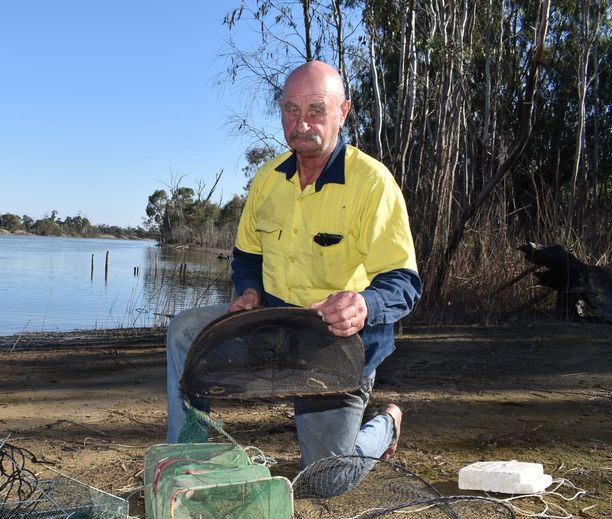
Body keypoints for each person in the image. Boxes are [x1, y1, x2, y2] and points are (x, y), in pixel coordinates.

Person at [166, 60, 421, 473]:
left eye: (317, 110)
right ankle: (183, 461)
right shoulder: (267, 180)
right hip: (272, 325)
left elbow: (403, 282)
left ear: (344, 111)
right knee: (185, 330)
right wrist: (248, 290)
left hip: (334, 345)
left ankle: (386, 425)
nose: (302, 123)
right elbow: (247, 254)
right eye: (291, 109)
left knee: (326, 478)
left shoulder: (372, 184)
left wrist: (363, 305)